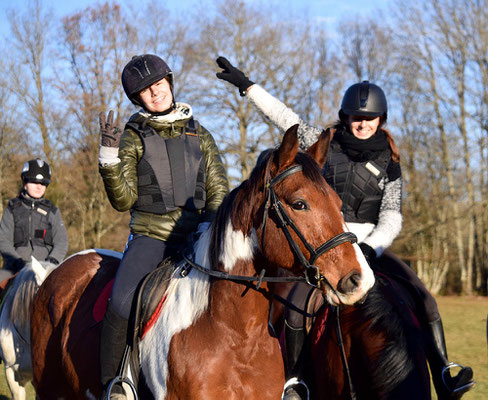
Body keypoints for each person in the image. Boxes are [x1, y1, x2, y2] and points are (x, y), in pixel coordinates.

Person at [216, 56, 474, 400]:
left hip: (369, 246)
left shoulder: (390, 161)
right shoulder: (327, 141)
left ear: (381, 119)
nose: (363, 124)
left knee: (424, 298)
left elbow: (392, 215)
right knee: (295, 310)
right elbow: (286, 119)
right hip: (321, 243)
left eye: (370, 118)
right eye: (357, 117)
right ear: (346, 117)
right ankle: (295, 382)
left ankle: (443, 371)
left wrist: (371, 247)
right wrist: (249, 88)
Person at [98, 54, 229, 399]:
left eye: (158, 85)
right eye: (145, 91)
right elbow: (123, 200)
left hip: (199, 236)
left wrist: (210, 228)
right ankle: (118, 382)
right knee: (122, 303)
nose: (155, 93)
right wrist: (109, 160)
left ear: (169, 83)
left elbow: (217, 190)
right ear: (137, 99)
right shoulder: (132, 136)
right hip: (151, 238)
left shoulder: (200, 133)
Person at [0, 159, 68, 283]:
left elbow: (62, 241)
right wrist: (17, 262)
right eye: (34, 182)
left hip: (46, 268)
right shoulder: (12, 209)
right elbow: (3, 240)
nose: (38, 186)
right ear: (25, 183)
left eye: (43, 183)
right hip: (15, 268)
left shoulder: (52, 211)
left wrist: (50, 263)